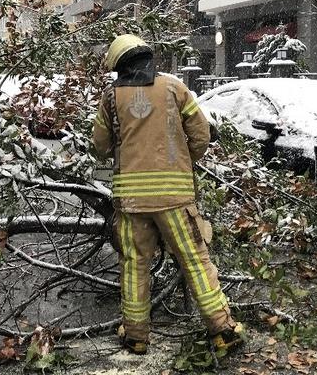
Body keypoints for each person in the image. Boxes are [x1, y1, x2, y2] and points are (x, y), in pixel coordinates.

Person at [92, 34, 243, 355]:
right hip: (175, 198)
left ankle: (136, 337)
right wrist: (182, 160)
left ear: (120, 66)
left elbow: (100, 147)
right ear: (147, 58)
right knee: (195, 261)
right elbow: (201, 135)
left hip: (131, 201)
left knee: (134, 265)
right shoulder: (175, 89)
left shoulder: (111, 98)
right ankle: (222, 330)